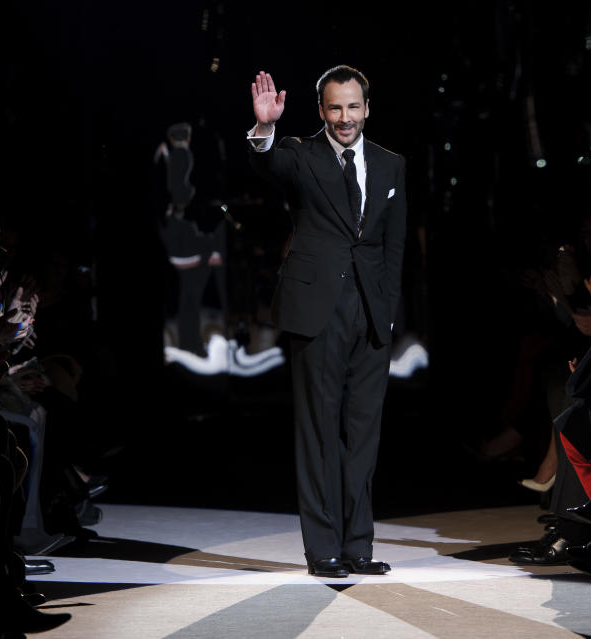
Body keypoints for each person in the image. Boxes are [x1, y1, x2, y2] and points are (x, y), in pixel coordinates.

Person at [246, 67, 406, 578]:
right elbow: (268, 166)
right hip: (317, 310)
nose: (345, 118)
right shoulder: (300, 154)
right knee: (318, 433)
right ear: (321, 110)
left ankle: (358, 546)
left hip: (371, 313)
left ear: (366, 108)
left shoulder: (390, 164)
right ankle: (324, 552)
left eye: (353, 107)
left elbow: (393, 247)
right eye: (335, 108)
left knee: (364, 436)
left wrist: (388, 309)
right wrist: (265, 129)